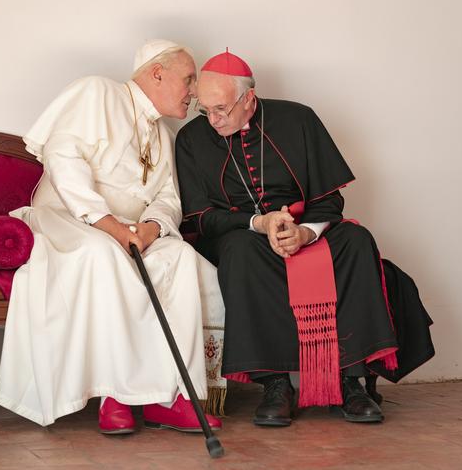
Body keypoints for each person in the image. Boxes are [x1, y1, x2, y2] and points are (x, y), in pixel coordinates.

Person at [175, 50, 434, 427]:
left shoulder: (299, 119)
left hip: (306, 228)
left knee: (357, 241)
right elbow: (201, 216)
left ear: (248, 99)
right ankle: (276, 385)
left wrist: (304, 232)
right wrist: (259, 223)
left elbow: (330, 199)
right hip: (244, 234)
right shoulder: (191, 140)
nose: (212, 120)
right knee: (239, 251)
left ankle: (350, 382)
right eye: (205, 110)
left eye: (221, 110)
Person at [0, 39, 222, 434]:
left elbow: (168, 197)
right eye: (188, 79)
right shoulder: (98, 92)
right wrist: (110, 226)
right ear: (157, 72)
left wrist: (151, 228)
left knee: (180, 258)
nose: (193, 91)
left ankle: (172, 396)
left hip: (131, 232)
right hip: (69, 219)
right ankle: (114, 395)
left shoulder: (165, 135)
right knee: (105, 254)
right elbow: (63, 160)